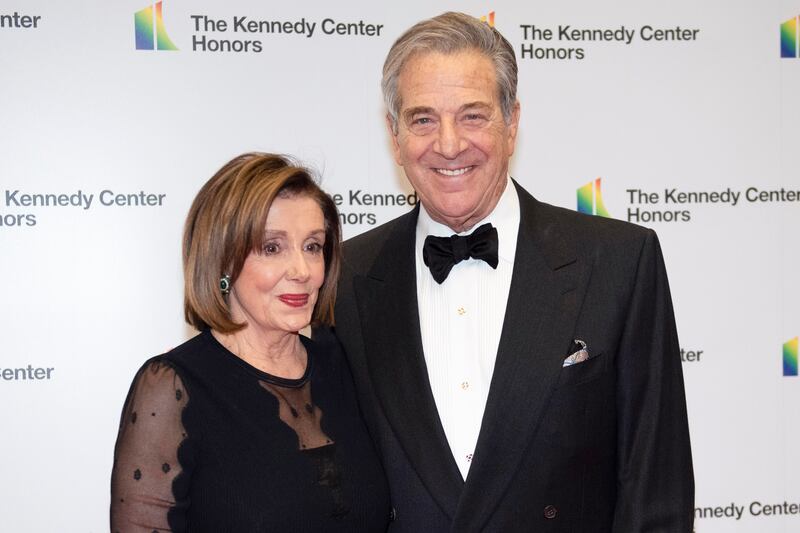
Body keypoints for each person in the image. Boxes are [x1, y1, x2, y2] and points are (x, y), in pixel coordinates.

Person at [332, 12, 694, 532]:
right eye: (423, 119)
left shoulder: (618, 261)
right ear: (394, 135)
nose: (449, 144)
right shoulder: (343, 278)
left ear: (513, 123)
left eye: (473, 116)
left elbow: (656, 494)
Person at [110, 153, 390, 532]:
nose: (302, 272)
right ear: (223, 259)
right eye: (272, 248)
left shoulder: (344, 361)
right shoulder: (174, 387)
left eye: (312, 246)